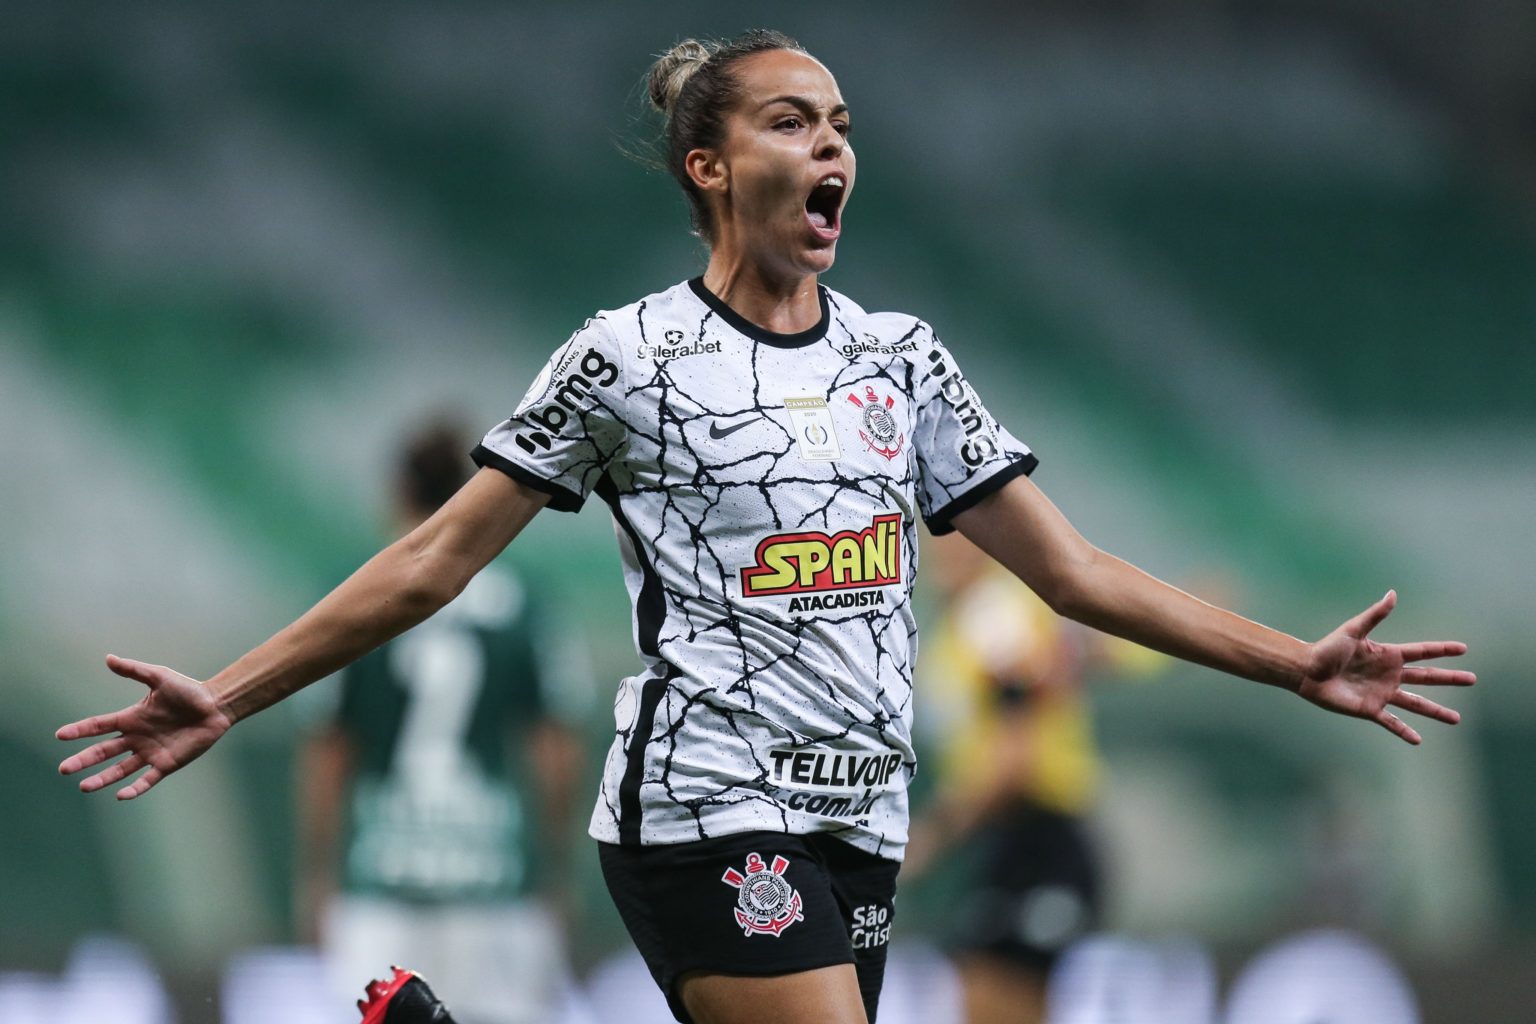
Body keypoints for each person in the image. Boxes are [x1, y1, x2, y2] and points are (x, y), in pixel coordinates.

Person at [57, 29, 1474, 1024]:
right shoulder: (625, 361)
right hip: (701, 805)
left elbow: (1078, 571)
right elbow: (437, 555)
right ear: (709, 170)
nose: (833, 142)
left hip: (860, 818)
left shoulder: (904, 362)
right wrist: (230, 697)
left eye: (844, 122)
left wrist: (1291, 661)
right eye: (793, 120)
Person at [296, 420, 583, 1024]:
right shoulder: (526, 598)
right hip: (497, 879)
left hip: (381, 877)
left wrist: (317, 872)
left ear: (398, 491)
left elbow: (329, 746)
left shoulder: (351, 593)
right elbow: (554, 745)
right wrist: (554, 865)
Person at [904, 530, 1164, 1024]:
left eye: (959, 538)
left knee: (993, 1000)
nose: (942, 550)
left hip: (1043, 839)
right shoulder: (974, 624)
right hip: (1015, 842)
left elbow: (1014, 755)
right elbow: (1086, 656)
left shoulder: (992, 617)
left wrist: (934, 834)